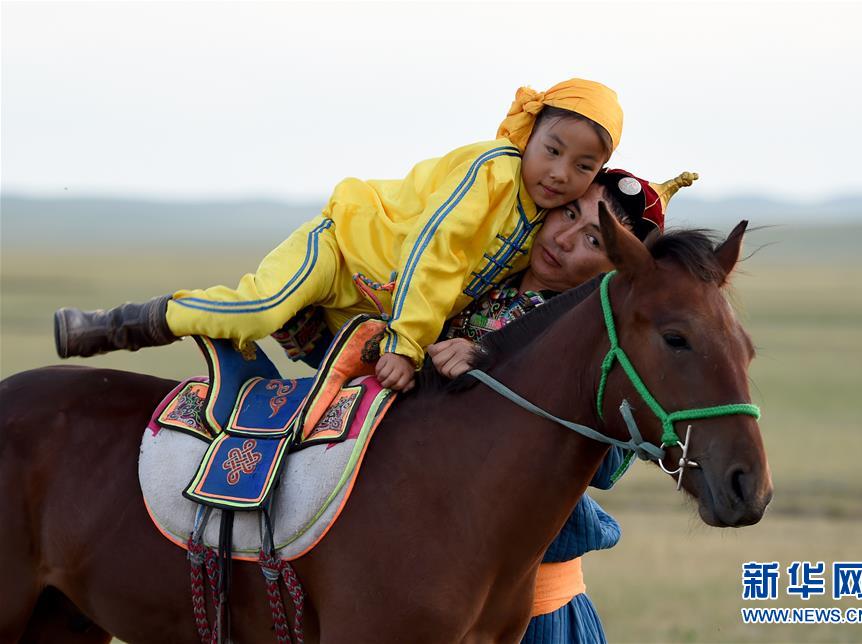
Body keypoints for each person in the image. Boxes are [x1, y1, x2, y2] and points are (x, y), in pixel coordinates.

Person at [54, 79, 625, 393]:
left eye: (581, 166)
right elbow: (436, 252)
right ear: (528, 134)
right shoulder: (492, 172)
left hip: (375, 305)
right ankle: (123, 324)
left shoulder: (538, 221)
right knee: (260, 308)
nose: (559, 174)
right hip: (343, 253)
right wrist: (406, 343)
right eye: (552, 150)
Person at [428, 168, 697, 644]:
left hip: (535, 605)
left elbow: (605, 466)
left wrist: (493, 367)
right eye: (569, 212)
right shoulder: (475, 280)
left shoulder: (601, 346)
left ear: (617, 270)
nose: (565, 238)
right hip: (430, 579)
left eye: (594, 239)